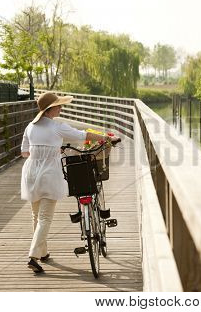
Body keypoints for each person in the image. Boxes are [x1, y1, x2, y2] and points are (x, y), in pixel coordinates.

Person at [21, 92, 120, 273]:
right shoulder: (57, 127)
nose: (61, 108)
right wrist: (107, 137)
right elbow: (83, 135)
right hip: (49, 173)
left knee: (36, 216)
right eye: (59, 105)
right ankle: (33, 256)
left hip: (30, 173)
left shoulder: (30, 127)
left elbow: (24, 152)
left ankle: (43, 252)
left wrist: (46, 150)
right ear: (51, 109)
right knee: (45, 218)